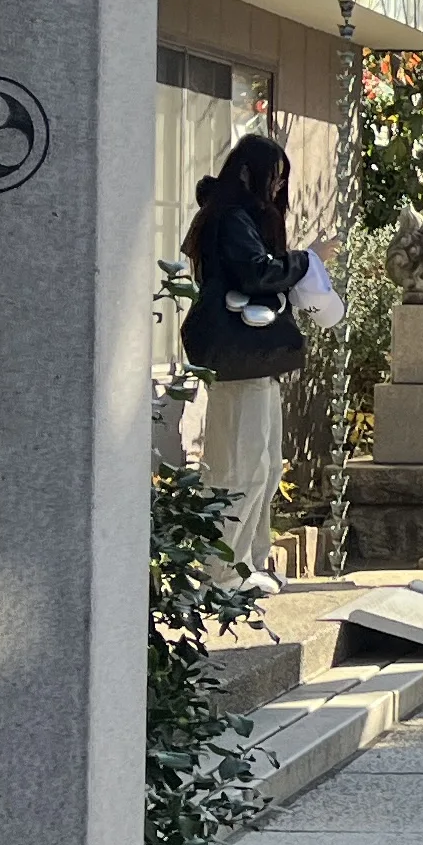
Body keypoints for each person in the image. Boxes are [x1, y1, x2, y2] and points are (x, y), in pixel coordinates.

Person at [179, 132, 309, 584]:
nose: (276, 190)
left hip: (251, 361)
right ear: (250, 174)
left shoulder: (231, 214)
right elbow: (255, 272)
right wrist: (305, 263)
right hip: (242, 359)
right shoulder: (233, 217)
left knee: (264, 465)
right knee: (242, 465)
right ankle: (224, 571)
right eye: (273, 179)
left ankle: (248, 562)